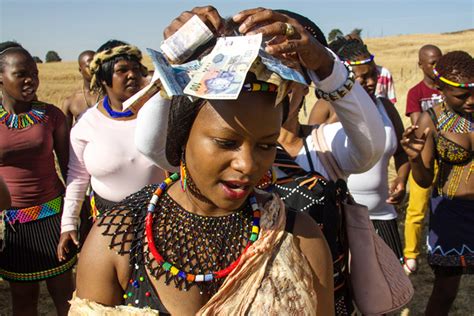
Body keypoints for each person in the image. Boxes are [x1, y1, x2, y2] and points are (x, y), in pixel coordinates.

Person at [70, 6, 345, 315]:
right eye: (226, 142)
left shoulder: (299, 238)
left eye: (266, 145)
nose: (247, 164)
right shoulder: (117, 239)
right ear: (181, 135)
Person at [134, 9, 385, 316]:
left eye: (286, 73)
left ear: (305, 85)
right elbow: (151, 145)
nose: (247, 165)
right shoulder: (215, 152)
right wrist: (179, 57)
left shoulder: (324, 146)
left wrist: (325, 65)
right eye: (256, 69)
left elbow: (371, 147)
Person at [57, 40, 165, 262]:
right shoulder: (87, 125)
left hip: (161, 217)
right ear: (104, 78)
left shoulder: (159, 113)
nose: (132, 75)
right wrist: (68, 224)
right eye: (122, 70)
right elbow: (77, 178)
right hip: (108, 221)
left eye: (136, 69)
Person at [312, 37, 409, 261]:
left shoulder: (385, 107)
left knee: (394, 287)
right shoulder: (325, 109)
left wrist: (402, 179)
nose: (371, 82)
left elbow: (402, 152)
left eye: (373, 74)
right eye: (362, 77)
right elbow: (314, 160)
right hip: (343, 218)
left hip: (383, 215)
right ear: (344, 77)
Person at [0, 43, 75, 316]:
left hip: (53, 217)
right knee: (22, 300)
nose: (31, 79)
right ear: (0, 77)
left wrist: (74, 215)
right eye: (21, 74)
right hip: (11, 225)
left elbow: (69, 168)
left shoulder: (51, 115)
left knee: (65, 296)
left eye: (34, 72)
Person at [401, 51, 473, 316]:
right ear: (441, 88)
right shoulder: (430, 120)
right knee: (445, 291)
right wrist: (415, 160)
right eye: (462, 96)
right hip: (451, 214)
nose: (471, 100)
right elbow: (424, 179)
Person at [403, 44, 443, 274]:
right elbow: (418, 128)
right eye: (432, 63)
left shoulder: (450, 88)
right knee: (417, 209)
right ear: (421, 65)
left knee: (445, 206)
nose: (437, 66)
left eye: (440, 60)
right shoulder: (416, 93)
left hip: (448, 156)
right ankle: (411, 254)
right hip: (424, 156)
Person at [61, 50, 98, 128]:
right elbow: (65, 136)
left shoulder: (110, 96)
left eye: (97, 64)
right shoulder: (70, 102)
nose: (94, 68)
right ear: (80, 70)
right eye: (89, 66)